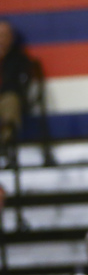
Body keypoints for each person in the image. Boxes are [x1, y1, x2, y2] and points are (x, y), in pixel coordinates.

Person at [0, 20, 31, 168]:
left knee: (10, 100)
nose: (1, 39)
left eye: (4, 35)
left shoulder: (18, 58)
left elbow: (18, 84)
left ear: (11, 38)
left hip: (7, 97)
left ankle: (6, 145)